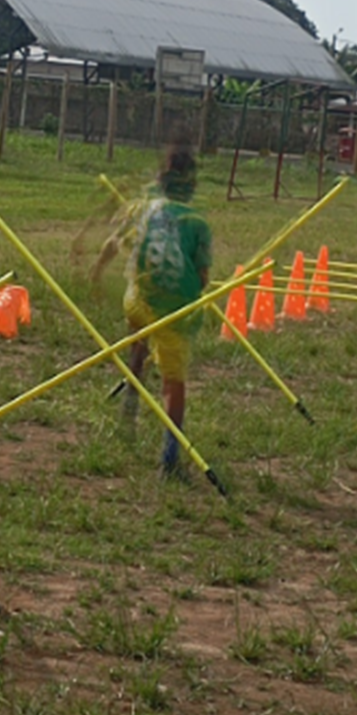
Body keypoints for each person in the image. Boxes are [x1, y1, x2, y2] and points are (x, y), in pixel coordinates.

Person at [120, 144, 212, 480]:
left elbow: (127, 246)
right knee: (174, 382)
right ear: (192, 184)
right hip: (173, 314)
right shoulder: (197, 224)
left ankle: (130, 401)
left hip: (137, 301)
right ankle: (170, 458)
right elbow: (202, 277)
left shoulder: (143, 209)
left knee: (139, 341)